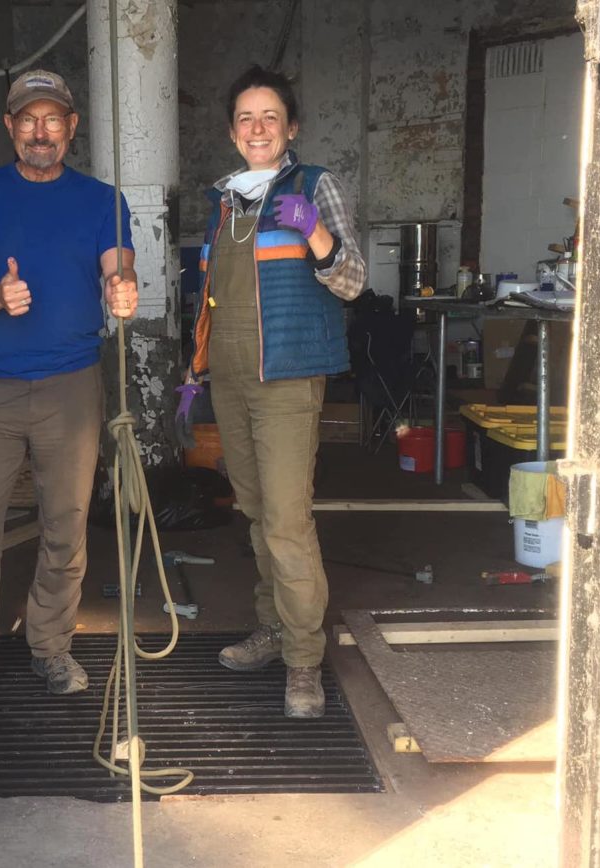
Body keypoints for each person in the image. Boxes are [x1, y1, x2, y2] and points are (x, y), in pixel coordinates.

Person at [0, 70, 139, 723]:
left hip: (72, 387)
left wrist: (124, 287)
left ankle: (50, 646)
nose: (40, 131)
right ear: (11, 127)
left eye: (53, 118)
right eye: (28, 119)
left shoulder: (102, 199)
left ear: (72, 126)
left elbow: (119, 265)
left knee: (65, 527)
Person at [184, 65, 365, 718]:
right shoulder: (224, 204)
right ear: (234, 134)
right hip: (229, 383)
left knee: (287, 523)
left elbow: (351, 282)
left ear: (291, 128)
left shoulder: (317, 186)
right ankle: (273, 628)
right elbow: (214, 300)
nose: (257, 129)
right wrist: (192, 371)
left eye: (269, 117)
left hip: (287, 383)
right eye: (245, 119)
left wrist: (313, 229)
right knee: (255, 516)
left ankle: (303, 662)